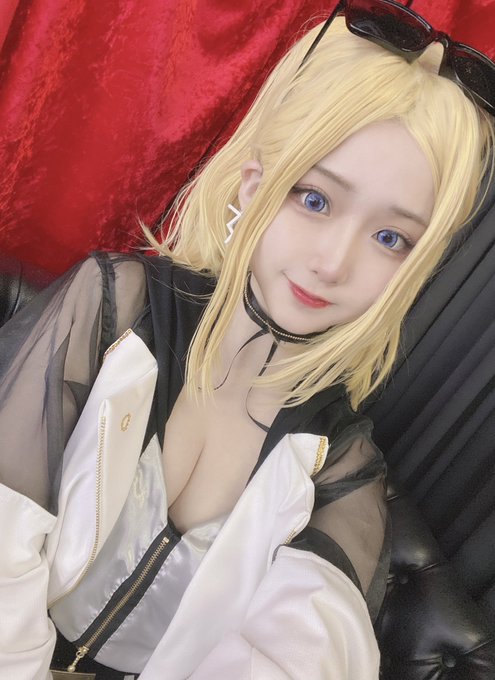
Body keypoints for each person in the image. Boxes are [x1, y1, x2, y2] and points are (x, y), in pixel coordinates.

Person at [1, 3, 494, 679]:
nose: (332, 263)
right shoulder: (113, 305)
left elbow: (302, 653)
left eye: (390, 238)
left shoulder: (337, 467)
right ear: (254, 185)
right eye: (314, 199)